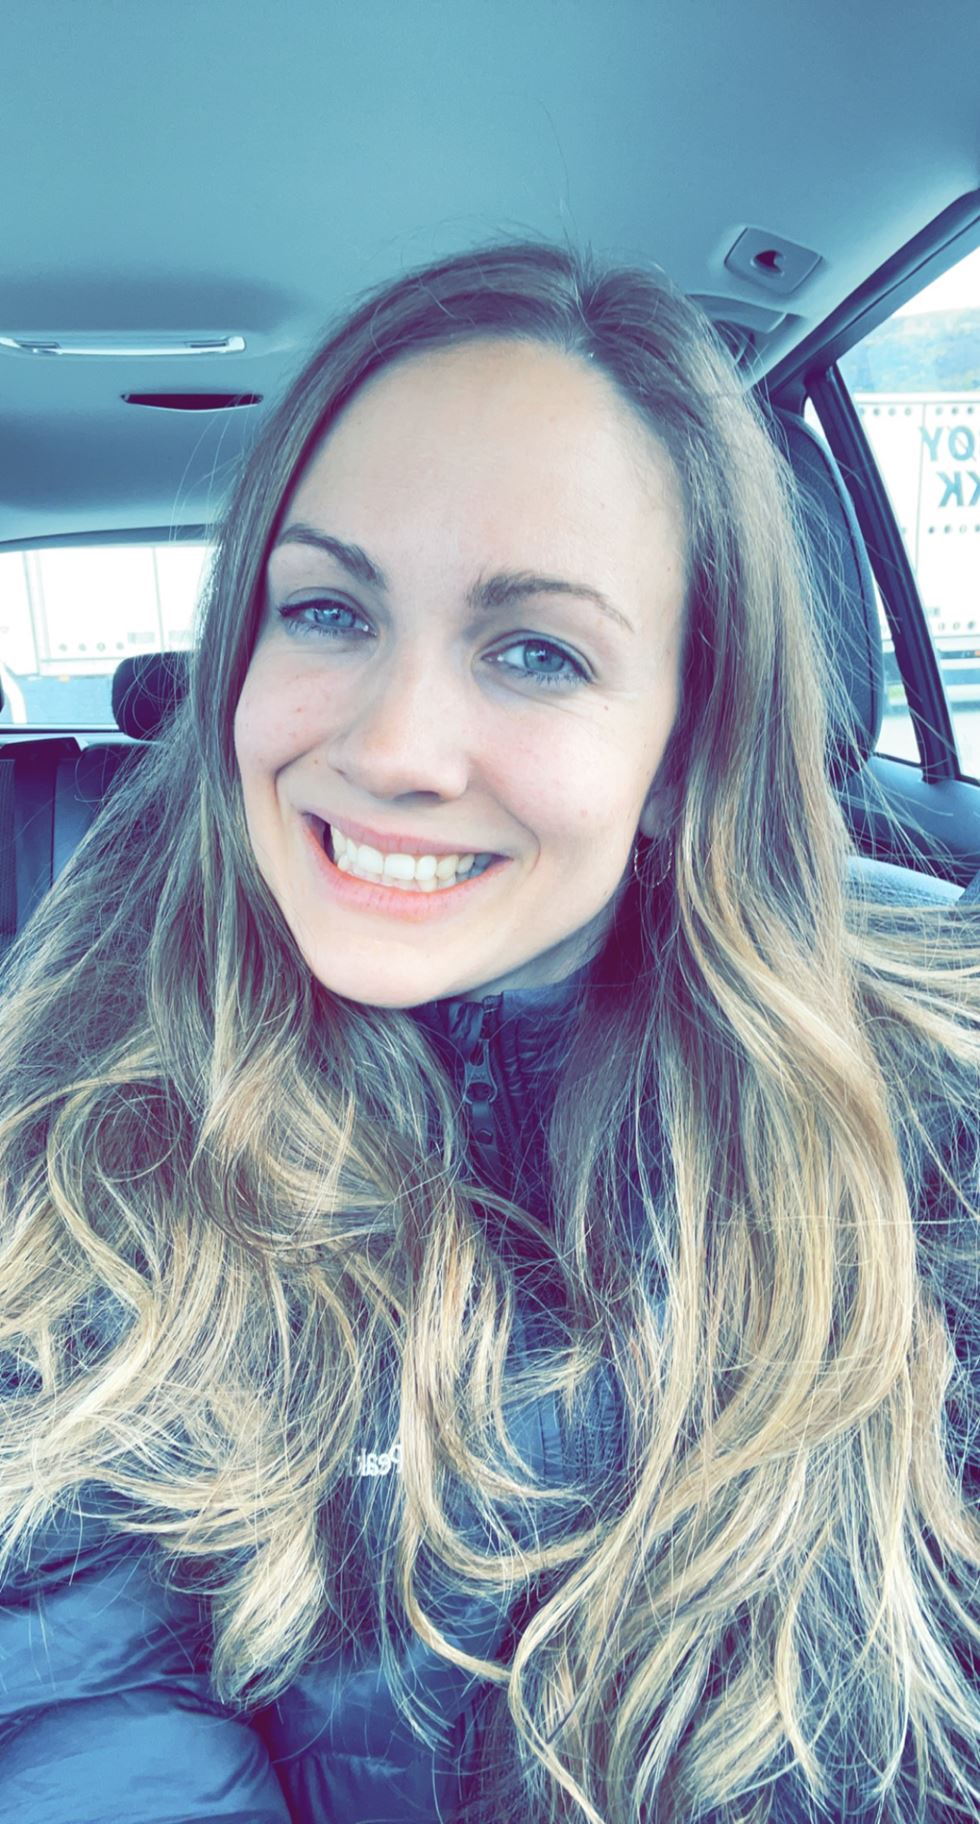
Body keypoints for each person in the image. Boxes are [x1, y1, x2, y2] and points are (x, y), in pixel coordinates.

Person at [0, 238, 978, 1824]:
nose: (395, 747)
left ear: (684, 750)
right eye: (328, 611)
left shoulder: (930, 1131)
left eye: (537, 651)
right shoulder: (75, 1123)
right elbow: (78, 1703)